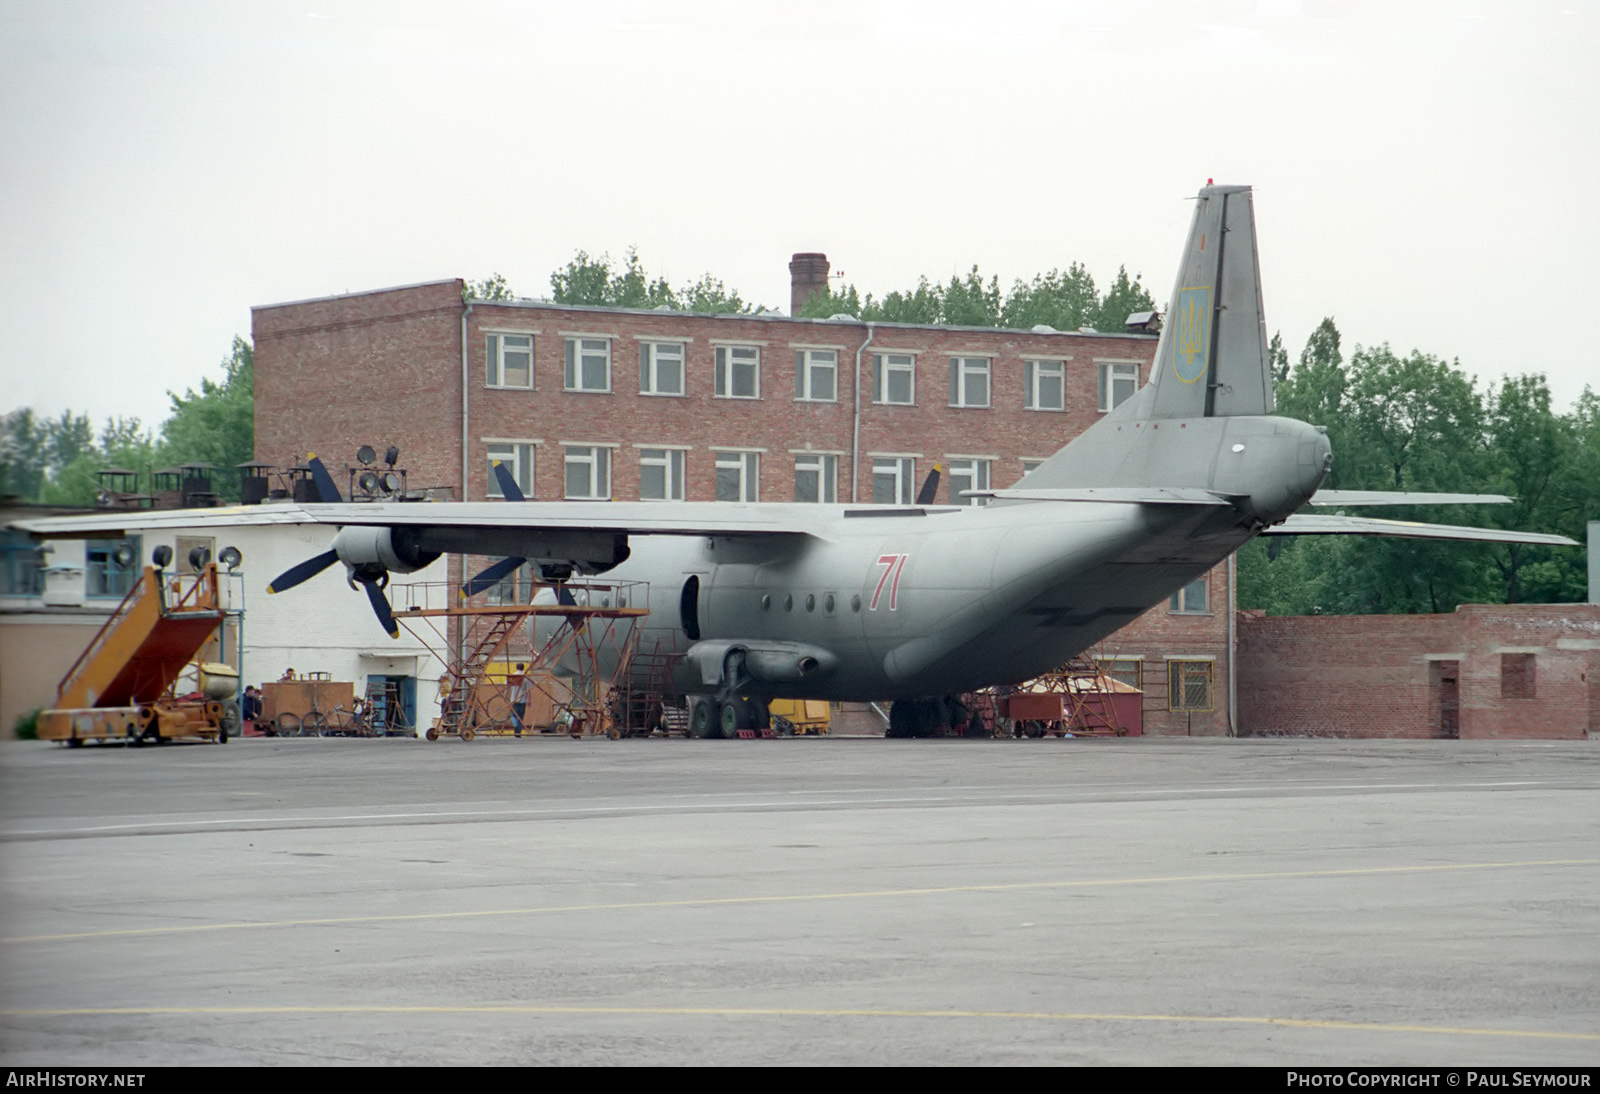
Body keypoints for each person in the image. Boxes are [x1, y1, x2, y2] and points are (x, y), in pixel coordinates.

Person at [510, 663, 531, 737]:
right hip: (523, 700)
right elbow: (528, 690)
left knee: (513, 715)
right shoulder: (526, 677)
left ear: (516, 667)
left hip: (513, 699)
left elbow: (507, 685)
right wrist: (529, 700)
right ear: (523, 668)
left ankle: (515, 726)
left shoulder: (512, 676)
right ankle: (518, 732)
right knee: (521, 717)